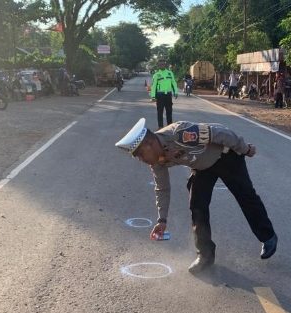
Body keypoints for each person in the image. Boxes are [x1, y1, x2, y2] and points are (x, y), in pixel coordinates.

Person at [115, 118, 278, 272]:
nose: (141, 160)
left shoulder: (180, 133)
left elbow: (220, 133)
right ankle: (205, 255)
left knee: (245, 196)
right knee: (197, 206)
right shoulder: (157, 161)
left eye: (141, 154)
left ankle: (268, 236)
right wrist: (162, 219)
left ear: (150, 143)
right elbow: (162, 188)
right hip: (201, 167)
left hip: (226, 156)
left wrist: (245, 149)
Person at [150, 59, 178, 128]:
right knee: (160, 112)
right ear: (158, 66)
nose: (162, 65)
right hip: (160, 95)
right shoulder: (156, 75)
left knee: (169, 112)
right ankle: (160, 127)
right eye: (160, 64)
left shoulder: (170, 73)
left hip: (168, 95)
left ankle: (169, 127)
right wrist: (153, 96)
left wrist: (176, 92)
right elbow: (153, 86)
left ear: (165, 65)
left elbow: (173, 83)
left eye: (163, 64)